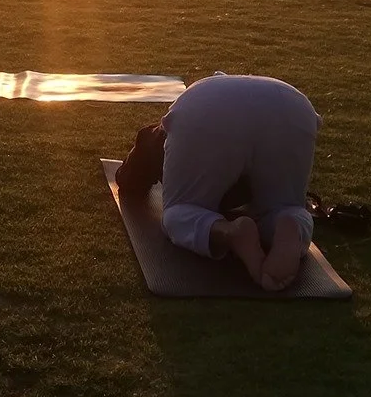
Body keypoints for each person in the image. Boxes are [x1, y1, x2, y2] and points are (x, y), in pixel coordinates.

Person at [121, 73, 320, 292]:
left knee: (179, 211)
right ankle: (288, 224)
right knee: (287, 206)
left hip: (206, 112)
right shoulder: (221, 89)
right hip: (294, 107)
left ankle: (229, 232)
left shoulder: (158, 136)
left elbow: (129, 182)